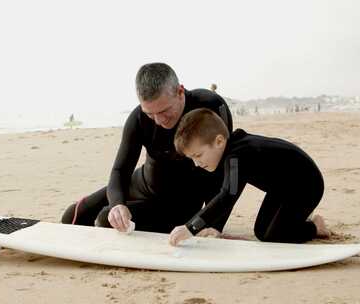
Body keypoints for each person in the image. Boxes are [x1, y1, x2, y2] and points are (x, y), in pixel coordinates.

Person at [61, 63, 233, 234]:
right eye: (151, 114)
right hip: (142, 184)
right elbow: (120, 170)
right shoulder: (138, 118)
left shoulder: (210, 107)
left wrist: (213, 223)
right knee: (72, 216)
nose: (159, 120)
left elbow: (226, 170)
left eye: (165, 111)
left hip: (180, 204)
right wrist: (117, 204)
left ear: (180, 92)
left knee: (105, 220)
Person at [169, 108, 330, 246]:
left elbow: (227, 195)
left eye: (198, 155)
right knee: (261, 232)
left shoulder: (237, 157)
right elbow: (227, 192)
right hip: (282, 189)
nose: (197, 164)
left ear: (219, 141)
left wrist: (191, 227)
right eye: (192, 158)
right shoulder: (231, 151)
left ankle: (315, 226)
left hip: (307, 185)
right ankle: (298, 219)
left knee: (275, 237)